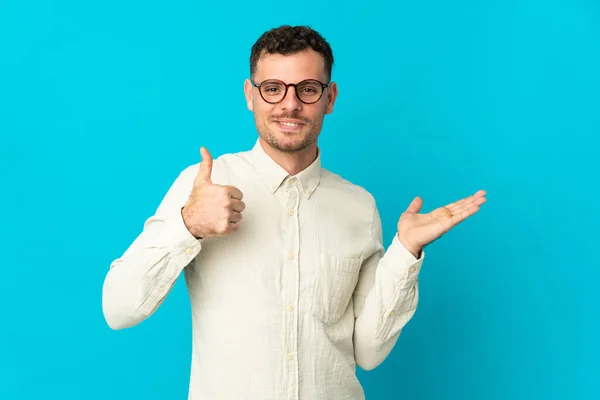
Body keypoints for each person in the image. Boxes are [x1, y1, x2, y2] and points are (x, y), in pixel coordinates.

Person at [102, 25, 487, 400]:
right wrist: (188, 225)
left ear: (330, 97)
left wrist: (405, 251)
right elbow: (118, 309)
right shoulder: (205, 186)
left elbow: (368, 353)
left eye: (307, 89)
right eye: (272, 89)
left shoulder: (359, 206)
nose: (290, 104)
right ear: (250, 95)